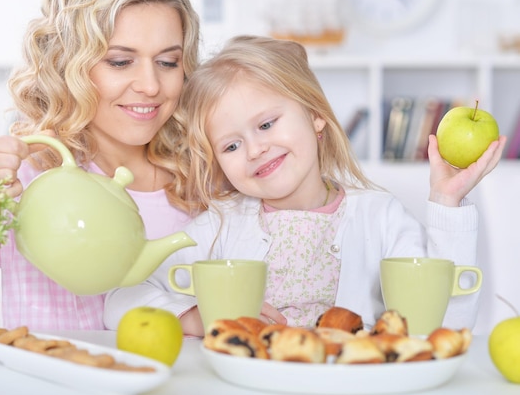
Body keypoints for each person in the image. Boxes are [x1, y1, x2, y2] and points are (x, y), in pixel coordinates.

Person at [103, 35, 507, 336]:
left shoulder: (379, 216)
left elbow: (447, 324)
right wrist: (194, 315)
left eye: (266, 124)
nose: (256, 149)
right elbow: (120, 299)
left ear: (315, 116)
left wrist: (447, 200)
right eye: (231, 144)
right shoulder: (220, 227)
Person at [0, 0, 200, 330]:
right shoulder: (24, 179)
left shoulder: (206, 177)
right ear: (68, 64)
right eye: (120, 61)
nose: (151, 86)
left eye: (168, 62)